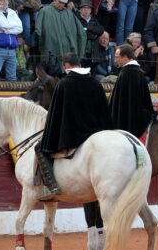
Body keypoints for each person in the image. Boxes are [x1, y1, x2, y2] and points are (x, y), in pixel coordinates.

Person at [36, 52, 114, 200]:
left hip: (71, 136)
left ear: (66, 65)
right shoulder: (95, 83)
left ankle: (50, 186)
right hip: (96, 133)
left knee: (39, 147)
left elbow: (55, 114)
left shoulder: (64, 84)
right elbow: (104, 111)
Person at [109, 43, 155, 137]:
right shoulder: (138, 72)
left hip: (124, 127)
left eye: (117, 57)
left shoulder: (127, 73)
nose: (115, 60)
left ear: (125, 57)